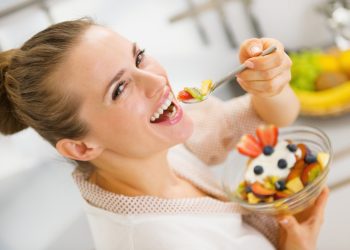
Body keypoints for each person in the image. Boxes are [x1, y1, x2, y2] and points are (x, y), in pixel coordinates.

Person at [0, 18, 328, 250]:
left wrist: (270, 85)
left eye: (139, 57)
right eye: (119, 89)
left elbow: (271, 114)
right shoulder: (153, 241)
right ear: (82, 147)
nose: (157, 81)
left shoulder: (154, 145)